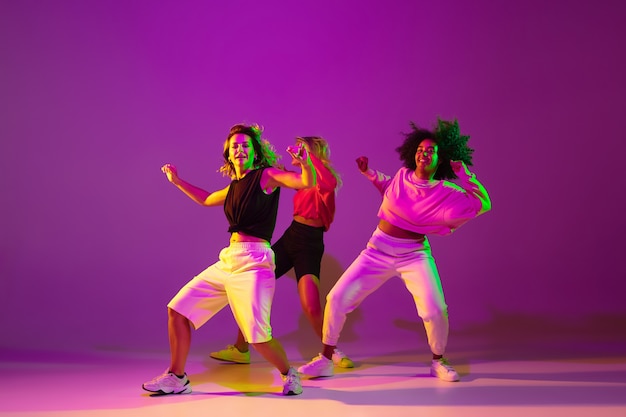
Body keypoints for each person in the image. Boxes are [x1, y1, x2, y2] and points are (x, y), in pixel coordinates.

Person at [297, 118, 492, 381]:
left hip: (414, 254)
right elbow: (388, 187)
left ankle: (438, 360)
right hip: (377, 250)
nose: (424, 153)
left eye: (431, 151)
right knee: (337, 298)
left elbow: (482, 203)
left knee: (435, 309)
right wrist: (368, 173)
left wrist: (465, 175)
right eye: (420, 149)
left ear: (440, 159)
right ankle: (325, 357)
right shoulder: (401, 176)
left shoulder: (445, 190)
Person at [142, 123, 315, 396]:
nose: (240, 149)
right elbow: (207, 198)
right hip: (229, 260)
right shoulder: (234, 187)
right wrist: (177, 181)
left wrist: (306, 164)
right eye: (235, 146)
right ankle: (177, 377)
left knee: (257, 337)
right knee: (177, 311)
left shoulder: (267, 176)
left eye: (246, 145)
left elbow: (305, 182)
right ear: (229, 154)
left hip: (255, 263)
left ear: (255, 152)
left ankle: (288, 373)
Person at [209, 136, 354, 369]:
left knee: (310, 305)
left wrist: (309, 160)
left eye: (302, 149)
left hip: (310, 243)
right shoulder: (301, 177)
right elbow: (285, 178)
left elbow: (324, 183)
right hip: (291, 236)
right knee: (247, 288)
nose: (295, 152)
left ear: (313, 152)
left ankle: (331, 351)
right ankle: (240, 349)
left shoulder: (324, 176)